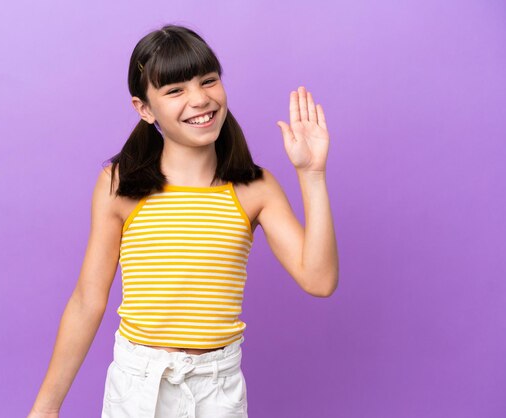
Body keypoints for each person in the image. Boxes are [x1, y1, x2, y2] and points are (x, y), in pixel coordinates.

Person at [28, 24, 338, 418]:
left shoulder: (254, 188)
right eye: (175, 90)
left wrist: (312, 175)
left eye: (208, 81)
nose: (200, 99)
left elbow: (320, 279)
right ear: (144, 109)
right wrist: (46, 408)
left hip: (218, 389)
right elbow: (88, 300)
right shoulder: (120, 184)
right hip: (138, 386)